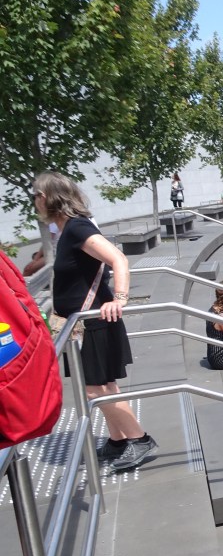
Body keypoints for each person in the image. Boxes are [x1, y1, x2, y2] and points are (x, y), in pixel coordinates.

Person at [33, 171, 158, 470]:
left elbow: (119, 259)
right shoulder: (67, 229)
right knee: (104, 386)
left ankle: (139, 439)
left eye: (35, 195)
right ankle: (118, 441)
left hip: (93, 322)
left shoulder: (77, 227)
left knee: (94, 389)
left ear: (48, 197)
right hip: (85, 322)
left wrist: (121, 298)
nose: (34, 201)